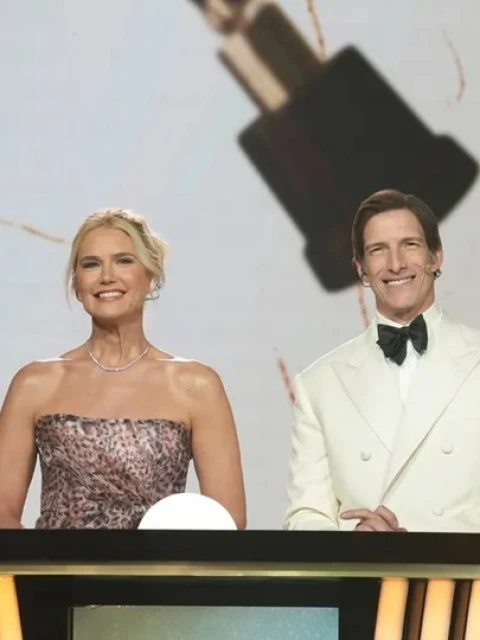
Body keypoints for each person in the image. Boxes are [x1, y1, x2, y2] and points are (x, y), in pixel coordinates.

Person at [0, 208, 246, 529]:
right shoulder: (35, 383)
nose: (107, 276)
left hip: (159, 563)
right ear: (77, 284)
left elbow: (227, 523)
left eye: (124, 261)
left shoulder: (197, 385)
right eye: (91, 264)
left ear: (151, 275)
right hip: (55, 562)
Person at [284, 189, 480, 533]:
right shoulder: (319, 384)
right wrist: (359, 546)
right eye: (378, 250)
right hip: (365, 569)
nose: (396, 264)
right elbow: (305, 515)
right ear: (361, 269)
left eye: (410, 245)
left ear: (436, 257)